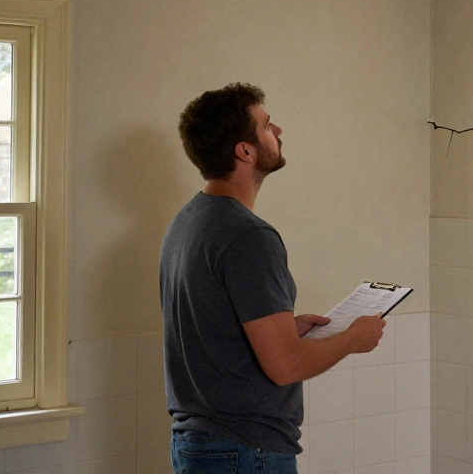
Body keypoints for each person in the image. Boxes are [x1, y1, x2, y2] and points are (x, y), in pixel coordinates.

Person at [161, 83, 386, 473]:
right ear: (244, 151)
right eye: (266, 126)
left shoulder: (189, 221)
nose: (278, 130)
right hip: (246, 451)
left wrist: (285, 328)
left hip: (198, 445)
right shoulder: (249, 236)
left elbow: (216, 329)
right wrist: (353, 339)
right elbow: (285, 367)